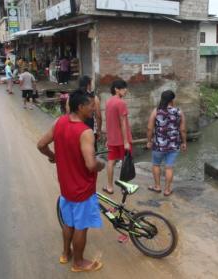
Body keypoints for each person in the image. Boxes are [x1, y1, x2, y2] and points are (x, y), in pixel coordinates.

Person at [37, 91, 104, 272]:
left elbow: (41, 144)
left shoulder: (59, 122)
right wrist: (101, 165)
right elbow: (90, 164)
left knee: (69, 223)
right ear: (81, 107)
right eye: (91, 105)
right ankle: (78, 262)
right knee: (81, 227)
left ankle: (66, 254)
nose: (94, 108)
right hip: (82, 188)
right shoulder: (85, 132)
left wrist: (54, 157)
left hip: (66, 187)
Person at [146, 90, 187, 197]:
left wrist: (149, 141)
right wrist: (184, 142)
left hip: (159, 145)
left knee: (156, 164)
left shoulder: (156, 111)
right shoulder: (179, 111)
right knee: (169, 167)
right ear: (172, 100)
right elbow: (182, 130)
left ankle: (157, 186)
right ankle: (167, 190)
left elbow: (149, 128)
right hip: (174, 145)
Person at [103, 80, 132, 195]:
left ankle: (110, 187)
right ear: (116, 89)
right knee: (127, 163)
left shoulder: (108, 102)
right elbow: (123, 123)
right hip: (122, 139)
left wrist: (107, 139)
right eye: (123, 88)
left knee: (111, 162)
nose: (125, 90)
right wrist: (125, 141)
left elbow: (109, 122)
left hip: (112, 139)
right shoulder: (121, 103)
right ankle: (124, 187)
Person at [68, 76, 102, 150]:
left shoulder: (72, 97)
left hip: (74, 129)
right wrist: (99, 131)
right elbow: (98, 116)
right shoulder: (93, 98)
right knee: (91, 151)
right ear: (88, 85)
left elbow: (68, 113)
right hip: (90, 128)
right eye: (91, 84)